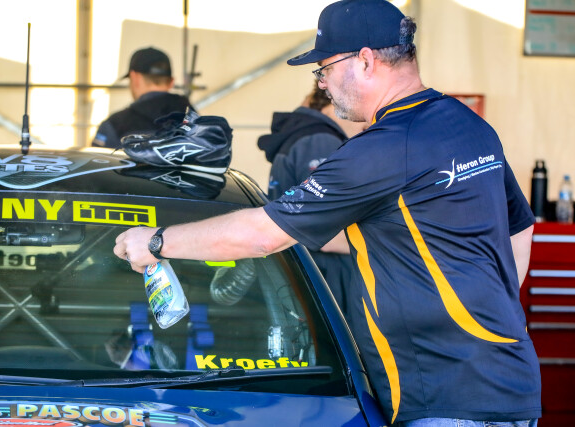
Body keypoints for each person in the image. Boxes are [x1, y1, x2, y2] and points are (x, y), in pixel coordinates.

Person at [114, 1, 541, 425]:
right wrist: (488, 324)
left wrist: (156, 241)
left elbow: (263, 235)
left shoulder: (383, 148)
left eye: (325, 69)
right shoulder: (467, 125)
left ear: (366, 61)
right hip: (511, 382)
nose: (323, 84)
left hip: (447, 400)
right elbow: (519, 228)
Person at [257, 82, 367, 315]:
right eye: (364, 115)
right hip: (327, 281)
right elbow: (323, 231)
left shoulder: (303, 137)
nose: (367, 124)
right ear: (335, 103)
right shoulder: (321, 141)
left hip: (308, 276)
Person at [92, 47, 193, 149]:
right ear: (171, 82)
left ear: (134, 78)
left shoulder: (114, 125)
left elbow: (97, 157)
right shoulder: (194, 120)